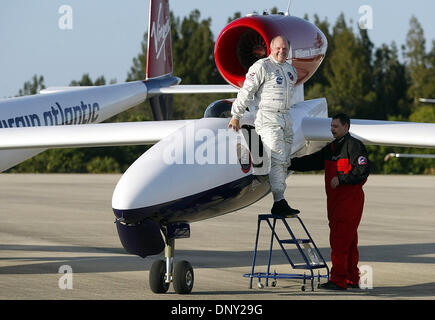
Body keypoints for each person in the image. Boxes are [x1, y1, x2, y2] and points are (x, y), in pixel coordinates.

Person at [289, 113, 370, 290]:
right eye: (331, 126)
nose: (331, 129)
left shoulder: (354, 146)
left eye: (335, 126)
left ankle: (338, 280)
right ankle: (351, 278)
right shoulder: (332, 148)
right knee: (349, 241)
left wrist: (342, 179)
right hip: (334, 203)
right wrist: (289, 163)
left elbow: (362, 171)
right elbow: (312, 161)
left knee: (339, 241)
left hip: (349, 203)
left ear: (346, 127)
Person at [228, 35, 299, 216]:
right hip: (268, 119)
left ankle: (280, 199)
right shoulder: (262, 66)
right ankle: (279, 201)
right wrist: (236, 115)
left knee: (284, 161)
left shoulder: (291, 71)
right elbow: (247, 91)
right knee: (277, 157)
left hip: (286, 119)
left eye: (284, 49)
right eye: (278, 48)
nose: (281, 51)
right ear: (271, 48)